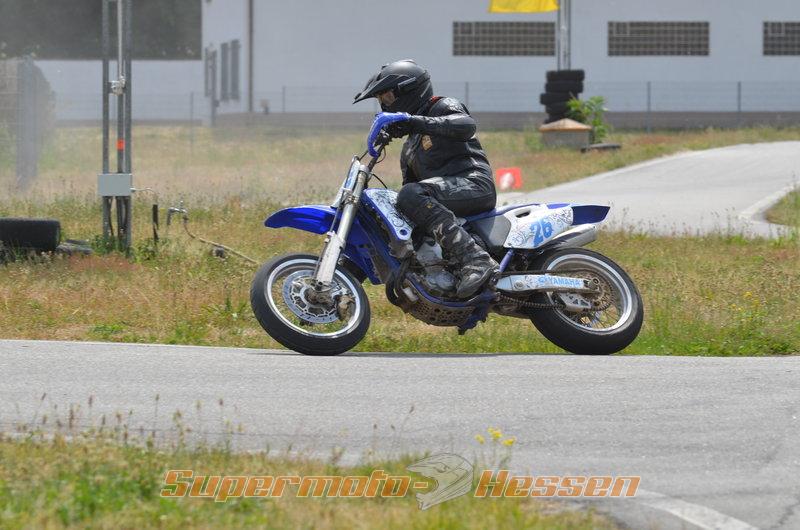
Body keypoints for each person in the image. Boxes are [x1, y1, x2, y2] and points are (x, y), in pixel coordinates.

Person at [354, 59, 499, 298]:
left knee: (410, 194)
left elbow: (466, 126)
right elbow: (410, 199)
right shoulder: (409, 148)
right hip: (444, 195)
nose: (385, 105)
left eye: (387, 97)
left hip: (474, 184)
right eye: (381, 100)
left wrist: (413, 121)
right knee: (396, 208)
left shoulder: (442, 106)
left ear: (410, 90)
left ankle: (476, 259)